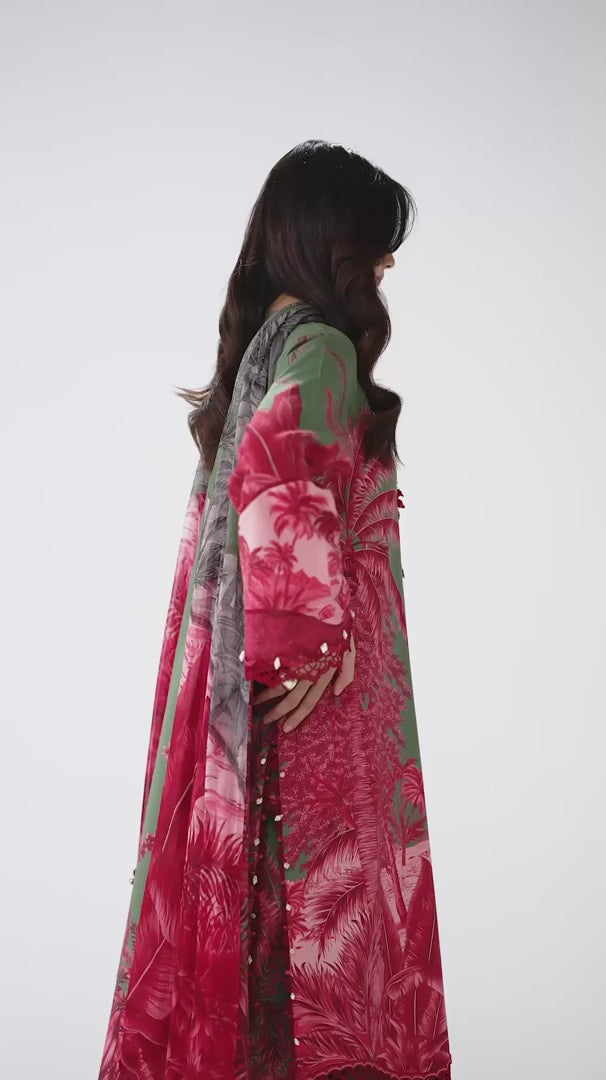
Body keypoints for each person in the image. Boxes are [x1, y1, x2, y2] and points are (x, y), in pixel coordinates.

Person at [98, 139, 453, 1080]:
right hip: (316, 726)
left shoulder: (268, 345)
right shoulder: (322, 348)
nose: (388, 263)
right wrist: (311, 636)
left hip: (255, 720)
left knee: (267, 956)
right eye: (377, 242)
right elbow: (276, 456)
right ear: (331, 243)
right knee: (324, 961)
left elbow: (260, 456)